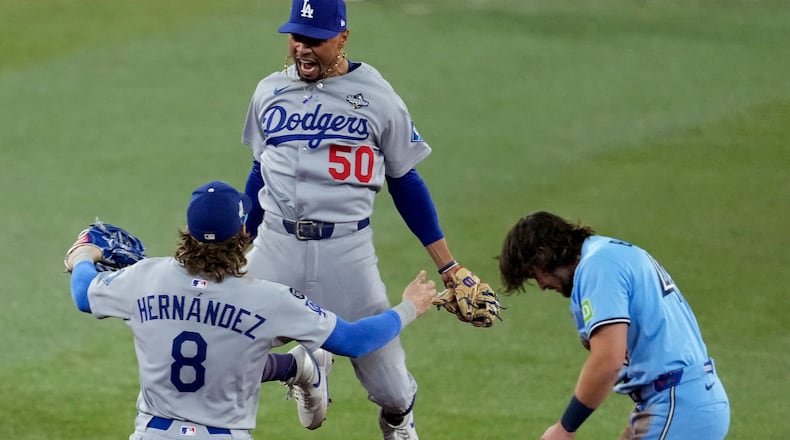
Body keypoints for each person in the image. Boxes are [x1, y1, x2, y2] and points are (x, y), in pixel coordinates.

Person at [238, 0, 495, 438]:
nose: (303, 49)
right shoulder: (268, 92)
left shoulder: (377, 97)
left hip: (347, 254)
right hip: (275, 248)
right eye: (297, 37)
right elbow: (259, 173)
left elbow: (406, 182)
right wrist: (234, 247)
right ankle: (302, 367)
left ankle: (398, 422)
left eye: (315, 41)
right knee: (223, 350)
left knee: (392, 389)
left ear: (343, 38)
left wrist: (448, 266)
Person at [64, 180, 438, 440]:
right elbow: (355, 341)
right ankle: (297, 367)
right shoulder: (272, 300)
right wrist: (409, 307)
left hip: (151, 432)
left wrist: (83, 254)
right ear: (244, 232)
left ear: (188, 233)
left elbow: (84, 295)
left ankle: (297, 368)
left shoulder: (144, 277)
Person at [498, 211, 730, 439]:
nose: (541, 285)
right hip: (682, 399)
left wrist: (565, 428)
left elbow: (608, 360)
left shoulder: (596, 266)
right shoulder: (608, 253)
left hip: (677, 403)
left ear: (544, 254)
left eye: (534, 274)